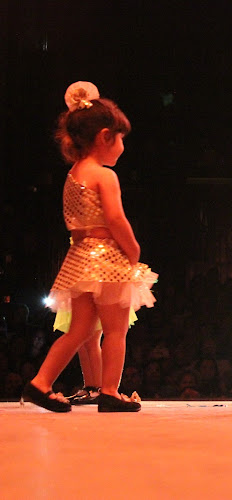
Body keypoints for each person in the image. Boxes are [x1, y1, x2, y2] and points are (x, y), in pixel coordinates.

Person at [22, 81, 156, 412]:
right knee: (115, 330)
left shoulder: (73, 174)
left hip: (79, 260)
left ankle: (40, 383)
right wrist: (133, 249)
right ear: (104, 137)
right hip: (107, 258)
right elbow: (115, 218)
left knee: (79, 330)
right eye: (121, 137)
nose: (123, 145)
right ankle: (110, 391)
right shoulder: (104, 175)